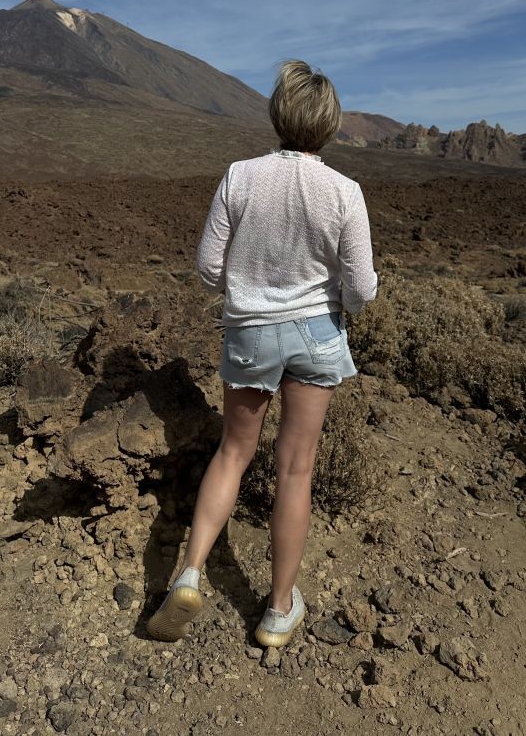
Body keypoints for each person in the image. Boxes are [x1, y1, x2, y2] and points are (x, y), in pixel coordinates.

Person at [146, 58, 378, 647]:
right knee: (295, 469)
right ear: (329, 124)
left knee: (233, 451)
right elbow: (362, 289)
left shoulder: (239, 177)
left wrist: (250, 288)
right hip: (317, 337)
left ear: (278, 114)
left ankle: (191, 572)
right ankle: (277, 611)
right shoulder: (345, 192)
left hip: (250, 334)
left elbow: (206, 269)